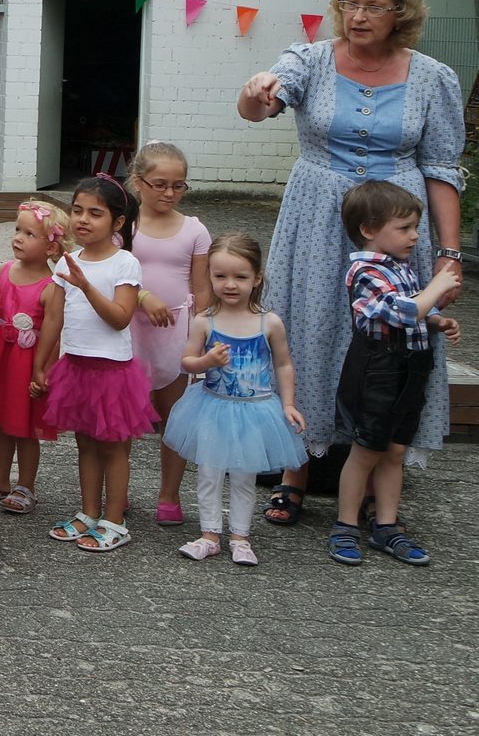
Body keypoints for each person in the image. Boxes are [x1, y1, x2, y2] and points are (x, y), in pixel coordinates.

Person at [236, 0, 465, 526]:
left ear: (401, 13)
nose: (358, 16)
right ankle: (295, 470)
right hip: (317, 216)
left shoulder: (433, 77)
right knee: (309, 331)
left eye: (374, 6)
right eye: (350, 3)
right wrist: (257, 89)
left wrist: (451, 255)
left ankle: (371, 469)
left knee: (388, 337)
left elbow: (442, 168)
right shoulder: (309, 59)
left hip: (397, 224)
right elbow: (259, 106)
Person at [327, 181, 462, 568]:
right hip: (378, 371)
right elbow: (400, 312)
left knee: (396, 450)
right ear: (369, 230)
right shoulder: (364, 270)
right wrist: (436, 287)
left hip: (411, 368)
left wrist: (437, 321)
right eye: (404, 228)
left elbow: (415, 312)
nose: (415, 236)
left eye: (416, 227)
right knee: (367, 449)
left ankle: (387, 525)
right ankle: (346, 525)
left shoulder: (399, 268)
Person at [163, 234, 307, 566]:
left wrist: (288, 404)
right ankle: (210, 534)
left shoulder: (268, 322)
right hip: (213, 407)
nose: (230, 285)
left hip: (255, 411)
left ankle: (240, 537)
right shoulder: (205, 321)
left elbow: (283, 364)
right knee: (209, 473)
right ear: (210, 276)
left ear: (257, 278)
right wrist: (206, 362)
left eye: (240, 277)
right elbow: (186, 361)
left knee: (245, 476)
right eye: (220, 276)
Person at [39, 177, 150, 554]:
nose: (83, 219)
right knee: (85, 445)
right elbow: (53, 317)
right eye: (77, 211)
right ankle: (88, 513)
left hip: (112, 373)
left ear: (117, 223)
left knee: (114, 449)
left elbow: (120, 317)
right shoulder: (68, 263)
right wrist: (41, 365)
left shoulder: (125, 262)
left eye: (95, 213)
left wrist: (86, 287)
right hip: (75, 367)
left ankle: (115, 520)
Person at [125, 141, 211, 529]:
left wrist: (202, 334)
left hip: (175, 333)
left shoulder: (194, 230)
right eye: (160, 184)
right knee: (124, 416)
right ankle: (118, 489)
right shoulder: (125, 225)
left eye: (179, 186)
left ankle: (169, 495)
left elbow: (203, 289)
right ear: (138, 182)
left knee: (173, 419)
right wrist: (142, 297)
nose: (170, 193)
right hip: (129, 330)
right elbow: (110, 272)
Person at [0, 201, 67, 515]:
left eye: (30, 234)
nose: (18, 237)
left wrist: (45, 372)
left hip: (27, 364)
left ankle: (26, 485)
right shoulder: (4, 271)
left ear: (52, 248)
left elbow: (53, 332)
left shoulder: (52, 287)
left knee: (24, 426)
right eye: (18, 230)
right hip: (0, 359)